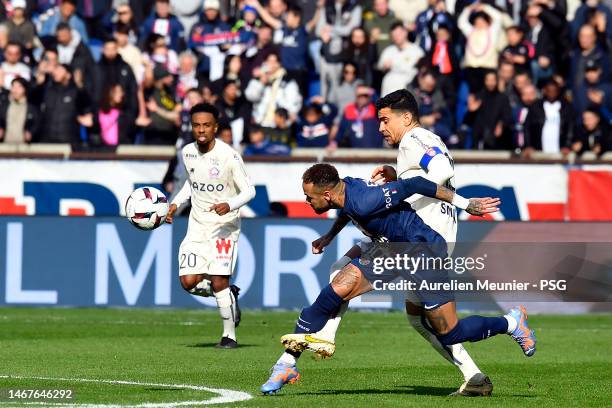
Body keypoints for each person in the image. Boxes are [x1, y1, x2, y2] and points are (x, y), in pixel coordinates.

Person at [274, 89, 493, 397]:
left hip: (419, 238)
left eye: (384, 120)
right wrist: (395, 180)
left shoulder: (413, 140)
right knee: (418, 320)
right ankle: (474, 375)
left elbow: (440, 171)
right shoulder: (423, 141)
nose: (380, 128)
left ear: (406, 117)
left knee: (344, 277)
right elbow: (410, 179)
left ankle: (320, 337)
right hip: (418, 237)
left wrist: (416, 194)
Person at [261, 163, 534, 395]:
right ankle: (285, 365)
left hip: (422, 250)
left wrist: (466, 204)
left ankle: (511, 323)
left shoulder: (366, 199)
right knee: (334, 290)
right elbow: (347, 210)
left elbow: (414, 182)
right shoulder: (346, 192)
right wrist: (329, 236)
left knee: (451, 332)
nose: (308, 202)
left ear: (328, 194)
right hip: (388, 250)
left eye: (310, 197)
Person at [166, 103, 256, 349]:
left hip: (225, 227)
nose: (201, 130)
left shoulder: (228, 156)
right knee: (188, 282)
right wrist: (175, 205)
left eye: (206, 125)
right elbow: (191, 184)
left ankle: (229, 336)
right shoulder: (187, 152)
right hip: (197, 226)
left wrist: (230, 203)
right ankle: (230, 295)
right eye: (197, 125)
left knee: (218, 280)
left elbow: (250, 191)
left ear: (215, 127)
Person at [245, 51, 302, 127]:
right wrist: (261, 83)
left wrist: (285, 120)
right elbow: (251, 97)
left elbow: (294, 103)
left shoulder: (287, 80)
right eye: (269, 61)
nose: (272, 64)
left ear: (279, 64)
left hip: (279, 125)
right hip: (260, 123)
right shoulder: (257, 79)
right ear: (264, 63)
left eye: (274, 62)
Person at [377, 21, 424, 97]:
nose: (396, 37)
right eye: (393, 35)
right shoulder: (388, 51)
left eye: (398, 34)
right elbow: (380, 67)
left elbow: (422, 71)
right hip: (388, 93)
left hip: (407, 93)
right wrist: (385, 67)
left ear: (405, 33)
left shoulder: (416, 51)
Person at [0, 77, 40, 144]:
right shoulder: (4, 107)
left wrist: (31, 133)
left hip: (25, 149)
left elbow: (36, 125)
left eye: (18, 87)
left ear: (25, 89)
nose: (15, 90)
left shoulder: (32, 109)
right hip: (5, 147)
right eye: (13, 87)